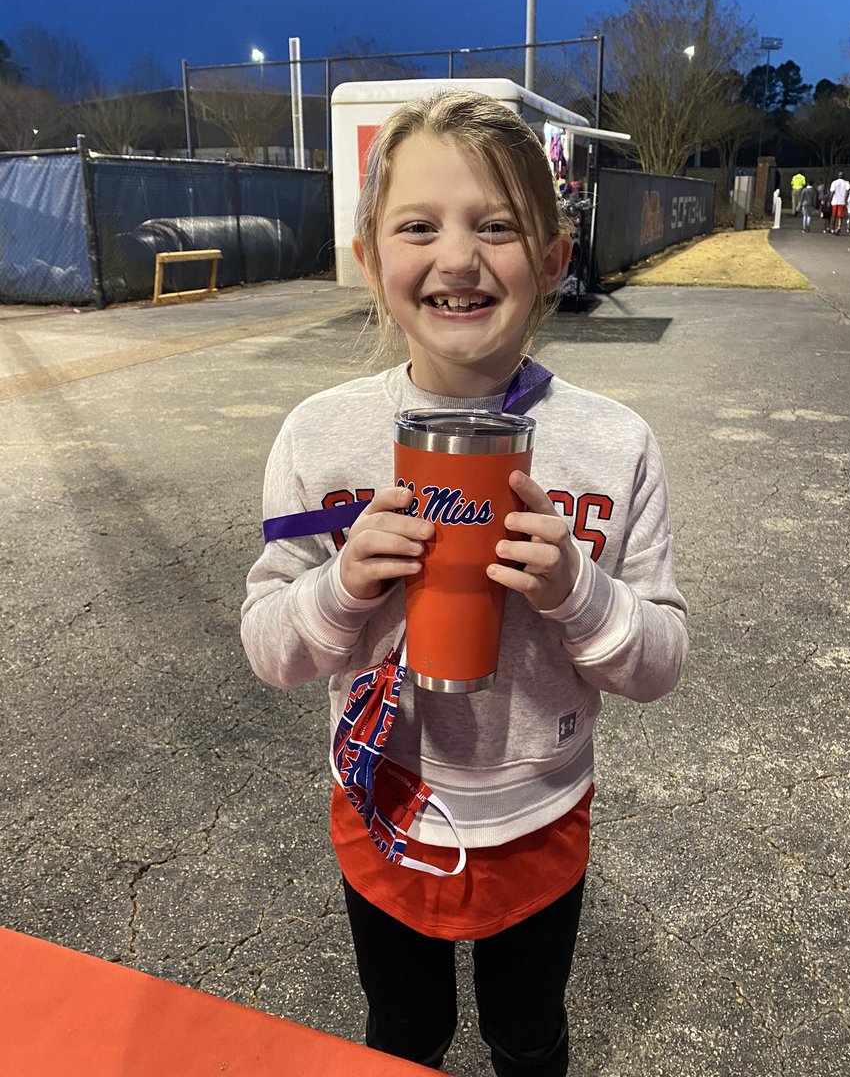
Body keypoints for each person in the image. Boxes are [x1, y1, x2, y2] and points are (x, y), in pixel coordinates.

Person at [240, 90, 688, 1077]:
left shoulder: (614, 444)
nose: (457, 258)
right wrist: (343, 584)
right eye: (418, 226)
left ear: (556, 262)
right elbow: (271, 645)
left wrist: (581, 591)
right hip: (386, 808)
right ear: (368, 260)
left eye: (499, 226)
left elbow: (659, 661)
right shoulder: (320, 437)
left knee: (528, 1037)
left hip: (541, 814)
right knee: (405, 1036)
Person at [829, 170, 850, 235]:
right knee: (840, 216)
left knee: (833, 216)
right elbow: (847, 192)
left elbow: (832, 192)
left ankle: (832, 229)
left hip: (835, 201)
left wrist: (829, 200)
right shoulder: (846, 183)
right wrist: (845, 200)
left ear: (838, 176)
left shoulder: (834, 183)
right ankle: (838, 227)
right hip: (842, 202)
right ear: (844, 176)